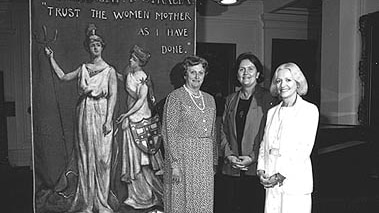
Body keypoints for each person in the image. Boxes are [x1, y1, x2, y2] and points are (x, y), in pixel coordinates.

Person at [44, 23, 117, 213]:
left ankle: (101, 203)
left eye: (98, 44)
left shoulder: (109, 71)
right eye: (92, 45)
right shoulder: (83, 68)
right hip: (84, 112)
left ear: (102, 47)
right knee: (85, 157)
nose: (95, 47)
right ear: (88, 47)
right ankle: (87, 202)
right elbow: (63, 77)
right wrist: (51, 58)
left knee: (102, 159)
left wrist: (109, 120)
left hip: (102, 113)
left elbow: (113, 97)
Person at [257, 62, 319, 213]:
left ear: (298, 83)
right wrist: (261, 170)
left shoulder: (309, 110)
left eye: (288, 80)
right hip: (271, 183)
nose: (282, 85)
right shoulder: (272, 112)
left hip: (294, 183)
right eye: (278, 81)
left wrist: (280, 175)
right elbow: (264, 144)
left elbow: (303, 150)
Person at [219, 52, 276, 213]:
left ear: (258, 74)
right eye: (241, 69)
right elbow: (222, 130)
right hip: (232, 168)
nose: (246, 73)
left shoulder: (268, 98)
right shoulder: (230, 99)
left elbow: (269, 134)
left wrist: (252, 157)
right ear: (237, 74)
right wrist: (229, 155)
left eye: (250, 69)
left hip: (256, 168)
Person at [162, 56, 217, 213]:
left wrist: (213, 162)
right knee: (182, 202)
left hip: (205, 160)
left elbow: (213, 133)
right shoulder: (175, 97)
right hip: (183, 159)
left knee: (203, 202)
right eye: (193, 72)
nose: (197, 77)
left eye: (201, 72)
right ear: (185, 74)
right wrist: (174, 163)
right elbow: (168, 131)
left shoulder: (210, 99)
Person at [116, 45, 164, 211]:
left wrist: (126, 114)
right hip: (132, 118)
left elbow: (141, 100)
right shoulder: (129, 71)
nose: (130, 60)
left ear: (140, 62)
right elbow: (122, 78)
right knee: (132, 157)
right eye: (131, 58)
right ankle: (134, 196)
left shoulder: (143, 77)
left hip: (141, 118)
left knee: (142, 160)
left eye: (134, 59)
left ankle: (146, 197)